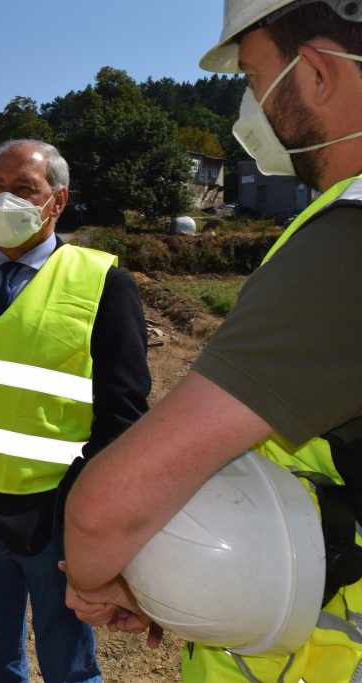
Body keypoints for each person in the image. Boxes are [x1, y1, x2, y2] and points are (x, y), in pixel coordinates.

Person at [62, 1, 362, 681]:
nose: (249, 107)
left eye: (255, 78)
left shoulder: (344, 242)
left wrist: (106, 579)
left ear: (314, 72)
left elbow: (104, 509)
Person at [0, 139, 151, 683]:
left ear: (57, 201)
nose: (5, 201)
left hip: (57, 519)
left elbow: (124, 413)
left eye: (24, 189)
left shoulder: (103, 283)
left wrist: (90, 511)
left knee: (69, 666)